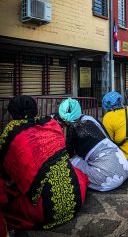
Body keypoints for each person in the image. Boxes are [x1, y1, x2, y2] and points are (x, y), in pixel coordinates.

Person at [0, 95, 88, 230]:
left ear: (11, 114)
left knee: (8, 198)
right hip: (75, 197)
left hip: (47, 210)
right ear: (36, 110)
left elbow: (5, 168)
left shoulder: (12, 132)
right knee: (73, 170)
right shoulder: (50, 124)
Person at [58, 98, 128, 192]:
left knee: (70, 161)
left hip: (108, 179)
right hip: (124, 168)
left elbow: (69, 154)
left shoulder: (73, 129)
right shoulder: (90, 119)